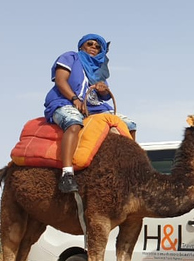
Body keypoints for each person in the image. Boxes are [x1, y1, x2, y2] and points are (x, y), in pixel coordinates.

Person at [43, 34, 137, 193]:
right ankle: (67, 174)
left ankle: (129, 170)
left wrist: (102, 89)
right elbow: (60, 80)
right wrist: (74, 99)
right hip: (65, 102)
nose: (94, 48)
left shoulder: (98, 70)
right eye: (90, 44)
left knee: (129, 125)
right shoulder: (70, 57)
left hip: (96, 108)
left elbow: (104, 95)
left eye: (98, 46)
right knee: (73, 122)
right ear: (81, 47)